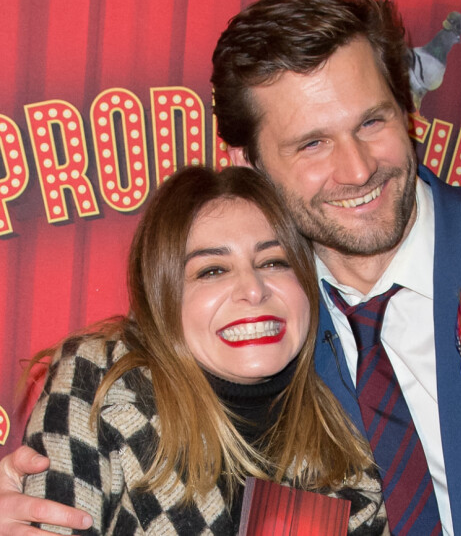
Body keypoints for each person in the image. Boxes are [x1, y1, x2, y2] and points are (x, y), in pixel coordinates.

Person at [2, 0, 461, 536]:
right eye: (313, 143)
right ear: (251, 162)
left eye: (372, 122)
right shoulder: (253, 328)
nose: (357, 170)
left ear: (406, 110)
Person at [14, 165, 388, 535]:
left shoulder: (354, 440)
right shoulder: (99, 381)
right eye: (213, 270)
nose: (254, 289)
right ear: (163, 295)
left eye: (274, 262)